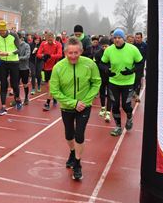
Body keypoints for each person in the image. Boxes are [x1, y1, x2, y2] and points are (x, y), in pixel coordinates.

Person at [49, 36, 101, 181]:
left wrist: (85, 101)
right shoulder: (58, 67)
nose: (73, 56)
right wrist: (73, 103)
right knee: (69, 134)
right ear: (65, 53)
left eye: (76, 53)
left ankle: (77, 163)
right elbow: (54, 90)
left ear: (81, 51)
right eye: (70, 53)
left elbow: (96, 83)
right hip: (67, 107)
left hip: (84, 106)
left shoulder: (89, 64)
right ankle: (72, 152)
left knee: (79, 134)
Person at [101, 28, 143, 136]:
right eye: (115, 38)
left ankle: (129, 118)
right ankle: (118, 127)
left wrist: (131, 71)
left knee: (126, 105)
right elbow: (102, 63)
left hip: (128, 82)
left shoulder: (132, 49)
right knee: (115, 106)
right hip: (113, 82)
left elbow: (140, 63)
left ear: (123, 38)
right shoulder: (109, 50)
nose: (117, 40)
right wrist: (106, 70)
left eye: (119, 38)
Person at [0, 20, 22, 115]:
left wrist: (8, 53)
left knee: (14, 84)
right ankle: (3, 107)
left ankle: (18, 99)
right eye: (0, 31)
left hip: (14, 62)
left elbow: (19, 50)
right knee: (3, 84)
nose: (1, 33)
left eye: (3, 31)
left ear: (6, 29)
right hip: (3, 62)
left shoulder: (14, 35)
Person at [37, 32, 62, 111]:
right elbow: (38, 54)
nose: (50, 41)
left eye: (51, 40)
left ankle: (47, 103)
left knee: (50, 86)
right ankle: (54, 97)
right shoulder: (43, 43)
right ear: (46, 38)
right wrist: (43, 56)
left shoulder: (58, 44)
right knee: (48, 85)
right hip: (46, 67)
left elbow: (60, 54)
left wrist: (51, 56)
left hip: (55, 67)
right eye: (49, 40)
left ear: (54, 38)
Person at [94, 36, 112, 122]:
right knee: (102, 93)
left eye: (106, 46)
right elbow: (96, 65)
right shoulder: (97, 53)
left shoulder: (113, 53)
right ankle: (102, 108)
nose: (104, 48)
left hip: (111, 77)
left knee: (109, 94)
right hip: (101, 76)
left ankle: (108, 112)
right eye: (103, 46)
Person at [17, 33, 31, 105]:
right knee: (15, 84)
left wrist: (18, 58)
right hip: (16, 68)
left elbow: (27, 56)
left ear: (21, 38)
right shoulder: (15, 45)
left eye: (17, 38)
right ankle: (17, 98)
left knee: (25, 84)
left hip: (24, 68)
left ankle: (26, 98)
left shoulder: (26, 46)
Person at [133, 32, 147, 102]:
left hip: (140, 66)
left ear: (141, 38)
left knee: (138, 80)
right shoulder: (133, 45)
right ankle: (132, 92)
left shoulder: (145, 46)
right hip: (132, 65)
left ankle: (137, 95)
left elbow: (147, 56)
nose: (137, 39)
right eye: (136, 38)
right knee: (132, 80)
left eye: (138, 38)